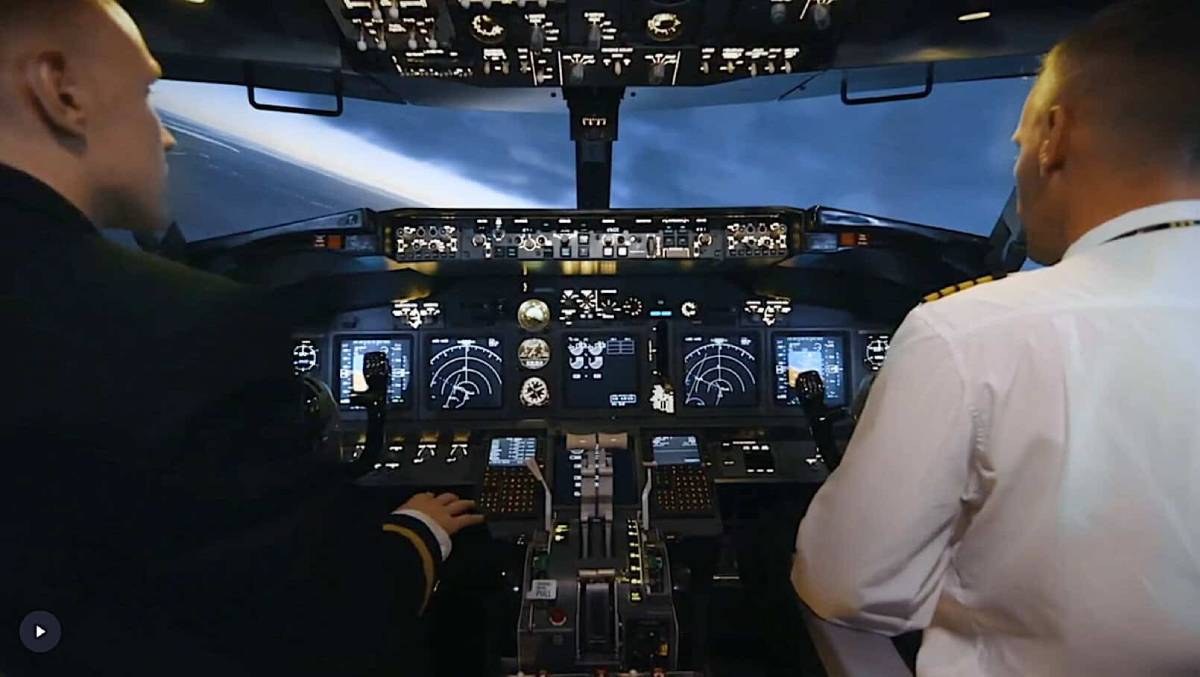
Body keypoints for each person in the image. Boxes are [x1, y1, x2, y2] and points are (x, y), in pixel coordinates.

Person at [0, 2, 482, 675]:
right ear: (61, 90)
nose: (164, 135)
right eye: (146, 93)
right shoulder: (186, 328)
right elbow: (331, 618)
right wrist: (418, 533)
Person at [791, 0, 1200, 675]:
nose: (1018, 167)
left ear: (1054, 136)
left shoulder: (972, 333)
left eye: (1017, 144)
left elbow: (847, 588)